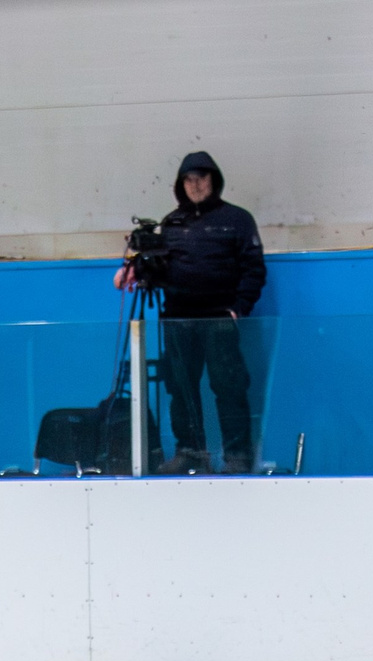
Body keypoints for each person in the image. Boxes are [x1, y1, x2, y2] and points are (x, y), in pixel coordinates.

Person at [119, 150, 266, 475]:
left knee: (229, 386)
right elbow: (161, 270)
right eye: (189, 179)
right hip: (177, 319)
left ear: (214, 180)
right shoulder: (172, 223)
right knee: (180, 387)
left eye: (201, 177)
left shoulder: (238, 220)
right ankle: (191, 453)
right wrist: (138, 271)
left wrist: (238, 309)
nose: (195, 184)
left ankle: (237, 456)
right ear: (180, 184)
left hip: (219, 319)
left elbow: (254, 269)